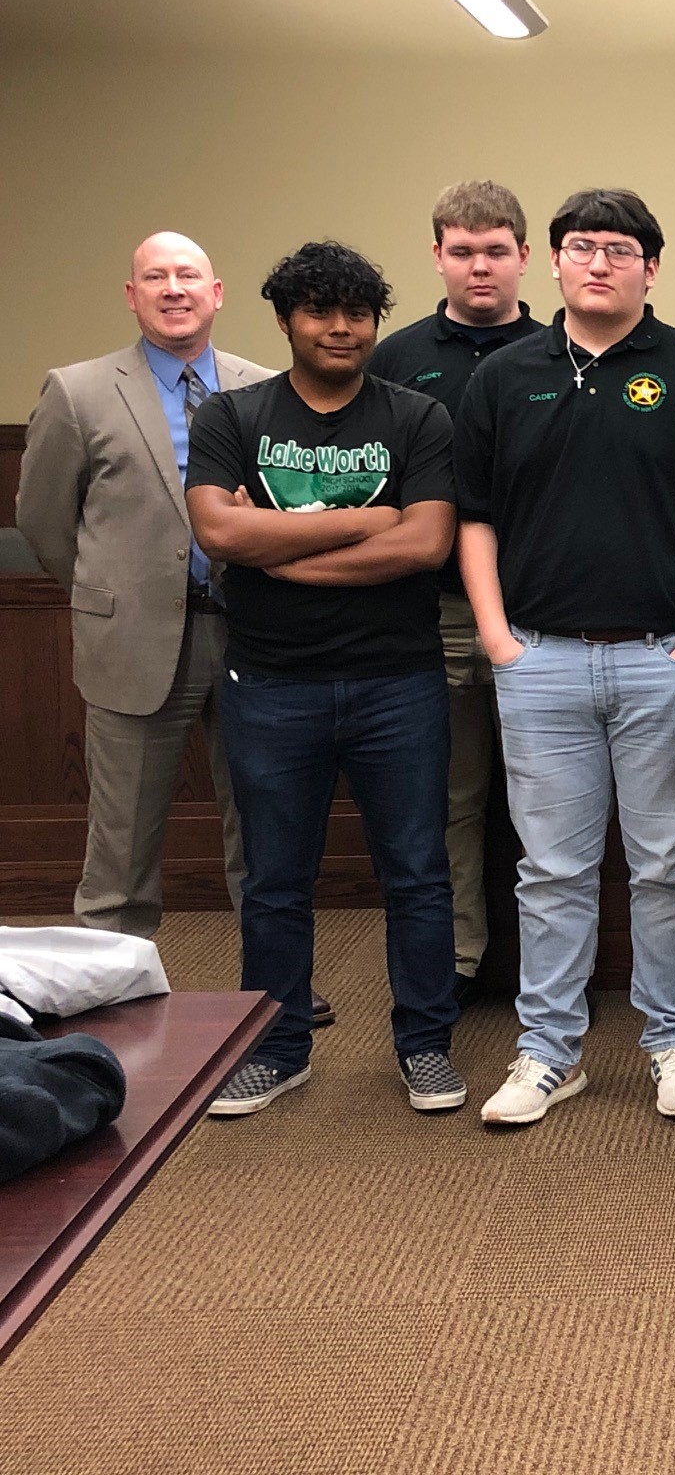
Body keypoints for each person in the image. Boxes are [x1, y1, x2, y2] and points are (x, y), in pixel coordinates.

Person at [454, 188, 675, 1126]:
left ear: (652, 267)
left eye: (621, 249)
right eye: (582, 246)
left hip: (663, 665)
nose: (600, 262)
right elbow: (474, 519)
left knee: (670, 866)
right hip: (540, 662)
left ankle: (672, 1042)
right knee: (549, 870)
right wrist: (498, 641)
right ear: (552, 261)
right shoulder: (505, 378)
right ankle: (547, 1053)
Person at [185, 242, 463, 1115]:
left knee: (417, 873)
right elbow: (221, 539)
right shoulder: (232, 416)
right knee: (275, 878)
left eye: (357, 313)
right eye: (319, 311)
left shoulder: (417, 417)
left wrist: (282, 549)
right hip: (270, 684)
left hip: (398, 683)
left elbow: (425, 544)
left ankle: (425, 1047)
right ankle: (277, 1048)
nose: (340, 328)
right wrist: (366, 519)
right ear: (284, 320)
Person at [14, 234, 272, 950]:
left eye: (188, 275)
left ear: (216, 293)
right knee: (122, 848)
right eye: (154, 277)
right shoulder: (79, 390)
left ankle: (277, 982)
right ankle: (109, 989)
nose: (173, 288)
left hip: (256, 637)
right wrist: (109, 591)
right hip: (131, 643)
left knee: (266, 829)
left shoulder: (264, 386)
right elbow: (43, 520)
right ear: (132, 296)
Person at [367, 180, 544, 1004]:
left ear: (524, 258)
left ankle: (542, 966)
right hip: (429, 614)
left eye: (496, 251)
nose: (480, 267)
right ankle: (460, 961)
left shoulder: (561, 354)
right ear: (437, 255)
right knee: (450, 799)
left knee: (547, 803)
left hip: (540, 613)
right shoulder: (396, 359)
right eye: (463, 251)